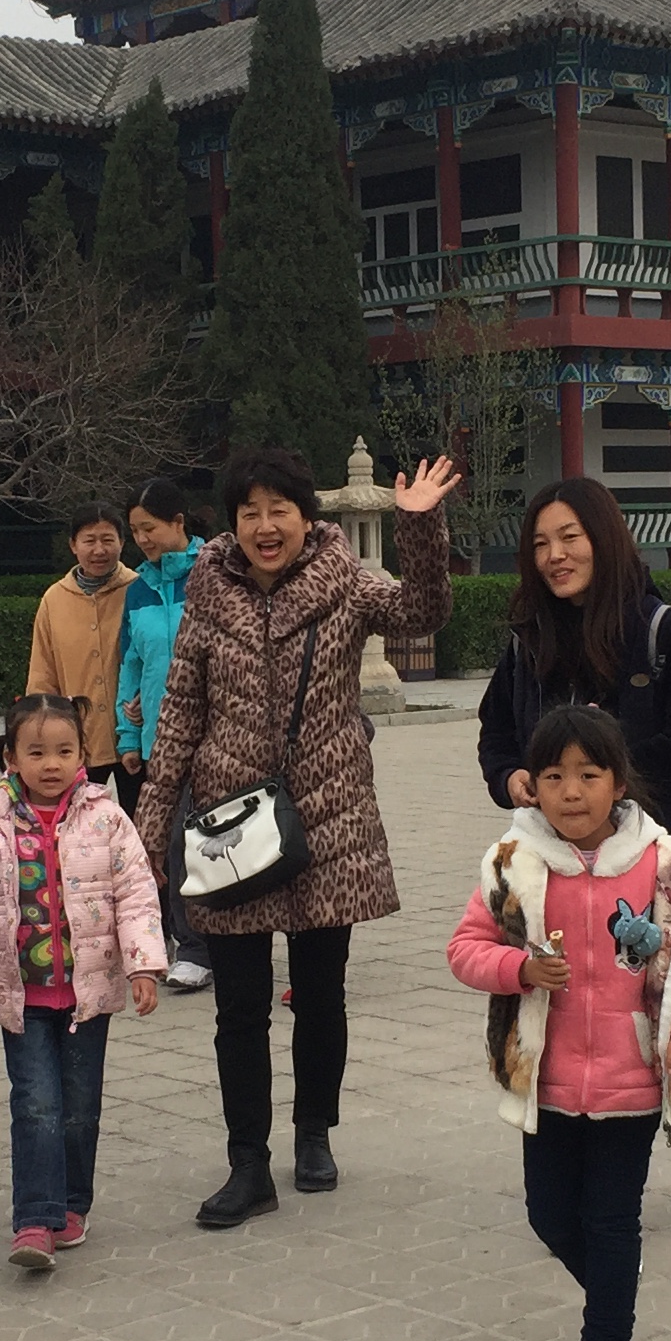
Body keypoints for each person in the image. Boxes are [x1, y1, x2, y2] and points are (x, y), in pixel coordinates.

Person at [134, 443, 458, 1228]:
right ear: (232, 524)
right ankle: (248, 1162)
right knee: (239, 1008)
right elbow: (179, 713)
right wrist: (148, 828)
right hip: (230, 827)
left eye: (280, 509)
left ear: (307, 518)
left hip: (327, 816)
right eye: (250, 512)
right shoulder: (209, 595)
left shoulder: (345, 583)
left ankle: (314, 1133)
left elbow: (423, 611)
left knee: (320, 994)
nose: (266, 525)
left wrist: (420, 527)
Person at [445, 706, 671, 1341]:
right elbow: (465, 949)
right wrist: (519, 968)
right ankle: (614, 1282)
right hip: (546, 1084)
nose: (571, 791)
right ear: (531, 787)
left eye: (588, 775)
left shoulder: (666, 865)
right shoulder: (512, 864)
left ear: (619, 784)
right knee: (549, 1217)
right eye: (554, 776)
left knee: (612, 1220)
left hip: (633, 1086)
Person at [473, 476, 671, 1215]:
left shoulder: (660, 629)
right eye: (540, 544)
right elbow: (497, 733)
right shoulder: (528, 639)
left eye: (570, 538)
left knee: (651, 996)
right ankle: (577, 1144)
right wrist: (515, 776)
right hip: (554, 854)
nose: (555, 556)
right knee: (583, 996)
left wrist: (609, 783)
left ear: (605, 539)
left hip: (646, 851)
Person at [0, 692, 165, 1272]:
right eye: (36, 752)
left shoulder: (107, 818)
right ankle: (34, 1219)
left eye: (64, 751)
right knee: (36, 1103)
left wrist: (143, 964)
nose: (51, 764)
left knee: (79, 1108)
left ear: (82, 754)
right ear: (11, 757)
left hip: (88, 994)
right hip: (19, 995)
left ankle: (72, 1203)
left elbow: (136, 893)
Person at [114, 478, 210, 993]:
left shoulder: (214, 572)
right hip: (161, 740)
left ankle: (211, 943)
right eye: (135, 531)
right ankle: (190, 945)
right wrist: (128, 735)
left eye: (148, 528)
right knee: (171, 844)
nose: (142, 539)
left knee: (205, 840)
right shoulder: (138, 590)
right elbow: (130, 665)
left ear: (178, 523)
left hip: (219, 736)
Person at [26, 501, 138, 793]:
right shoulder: (54, 599)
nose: (99, 550)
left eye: (108, 540)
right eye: (89, 541)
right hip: (77, 742)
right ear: (73, 545)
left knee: (141, 820)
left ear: (122, 543)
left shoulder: (139, 590)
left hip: (135, 739)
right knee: (75, 819)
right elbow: (42, 673)